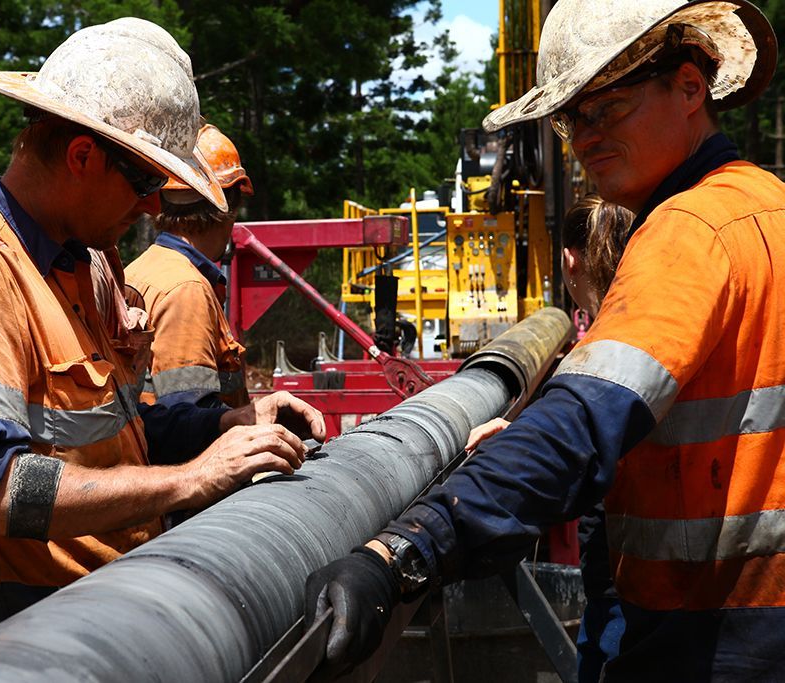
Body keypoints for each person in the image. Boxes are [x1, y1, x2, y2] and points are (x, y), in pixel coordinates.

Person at [305, 1, 785, 679]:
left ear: (688, 88)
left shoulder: (688, 230)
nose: (584, 137)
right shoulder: (764, 206)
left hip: (720, 638)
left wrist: (406, 550)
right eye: (571, 118)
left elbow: (585, 419)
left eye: (607, 108)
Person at [0, 19, 324, 676]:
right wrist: (192, 479)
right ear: (82, 156)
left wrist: (232, 423)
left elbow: (109, 439)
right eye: (143, 183)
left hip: (76, 620)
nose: (149, 209)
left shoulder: (75, 267)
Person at [465, 194, 633, 683]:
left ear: (569, 260)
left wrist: (517, 446)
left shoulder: (601, 349)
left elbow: (583, 448)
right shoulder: (643, 329)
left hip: (622, 586)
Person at [126, 123, 253, 409]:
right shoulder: (186, 290)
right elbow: (191, 421)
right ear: (227, 208)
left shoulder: (139, 269)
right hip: (186, 456)